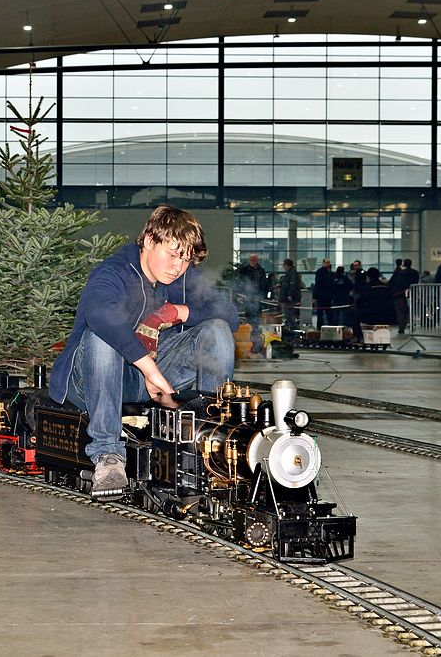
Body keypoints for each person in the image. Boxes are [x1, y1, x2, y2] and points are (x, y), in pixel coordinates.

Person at [49, 205, 239, 498]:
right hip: (90, 380)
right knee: (102, 337)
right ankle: (108, 457)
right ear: (149, 240)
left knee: (217, 331)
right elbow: (99, 313)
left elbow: (229, 314)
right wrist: (149, 370)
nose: (177, 266)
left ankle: (209, 441)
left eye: (186, 259)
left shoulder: (182, 279)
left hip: (149, 378)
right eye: (172, 255)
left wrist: (179, 311)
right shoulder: (115, 271)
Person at [347, 267, 397, 342]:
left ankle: (358, 336)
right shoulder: (386, 286)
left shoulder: (368, 287)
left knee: (352, 312)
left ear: (369, 277)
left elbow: (360, 301)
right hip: (388, 316)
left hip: (373, 316)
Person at [236, 253, 269, 333]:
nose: (252, 261)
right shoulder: (244, 270)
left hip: (258, 296)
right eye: (251, 260)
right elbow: (240, 283)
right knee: (249, 313)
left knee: (257, 313)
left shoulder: (261, 270)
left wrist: (264, 294)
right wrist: (240, 295)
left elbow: (264, 283)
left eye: (254, 260)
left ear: (257, 260)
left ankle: (256, 330)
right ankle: (251, 330)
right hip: (247, 296)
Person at [389, 258, 420, 334]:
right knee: (411, 310)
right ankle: (412, 325)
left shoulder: (399, 273)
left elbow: (392, 282)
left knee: (400, 311)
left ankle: (401, 328)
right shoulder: (415, 272)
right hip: (412, 294)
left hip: (400, 294)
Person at [279, 258, 302, 330]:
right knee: (288, 313)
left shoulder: (292, 273)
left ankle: (293, 327)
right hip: (287, 297)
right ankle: (290, 326)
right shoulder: (291, 272)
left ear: (286, 265)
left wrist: (290, 294)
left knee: (288, 313)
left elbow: (293, 284)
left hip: (288, 298)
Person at [311, 258, 334, 330]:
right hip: (321, 296)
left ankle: (331, 327)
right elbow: (318, 284)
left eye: (329, 262)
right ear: (323, 263)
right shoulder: (319, 272)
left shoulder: (331, 273)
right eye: (326, 262)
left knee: (329, 313)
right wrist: (314, 296)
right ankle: (319, 327)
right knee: (320, 313)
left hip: (329, 296)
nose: (328, 264)